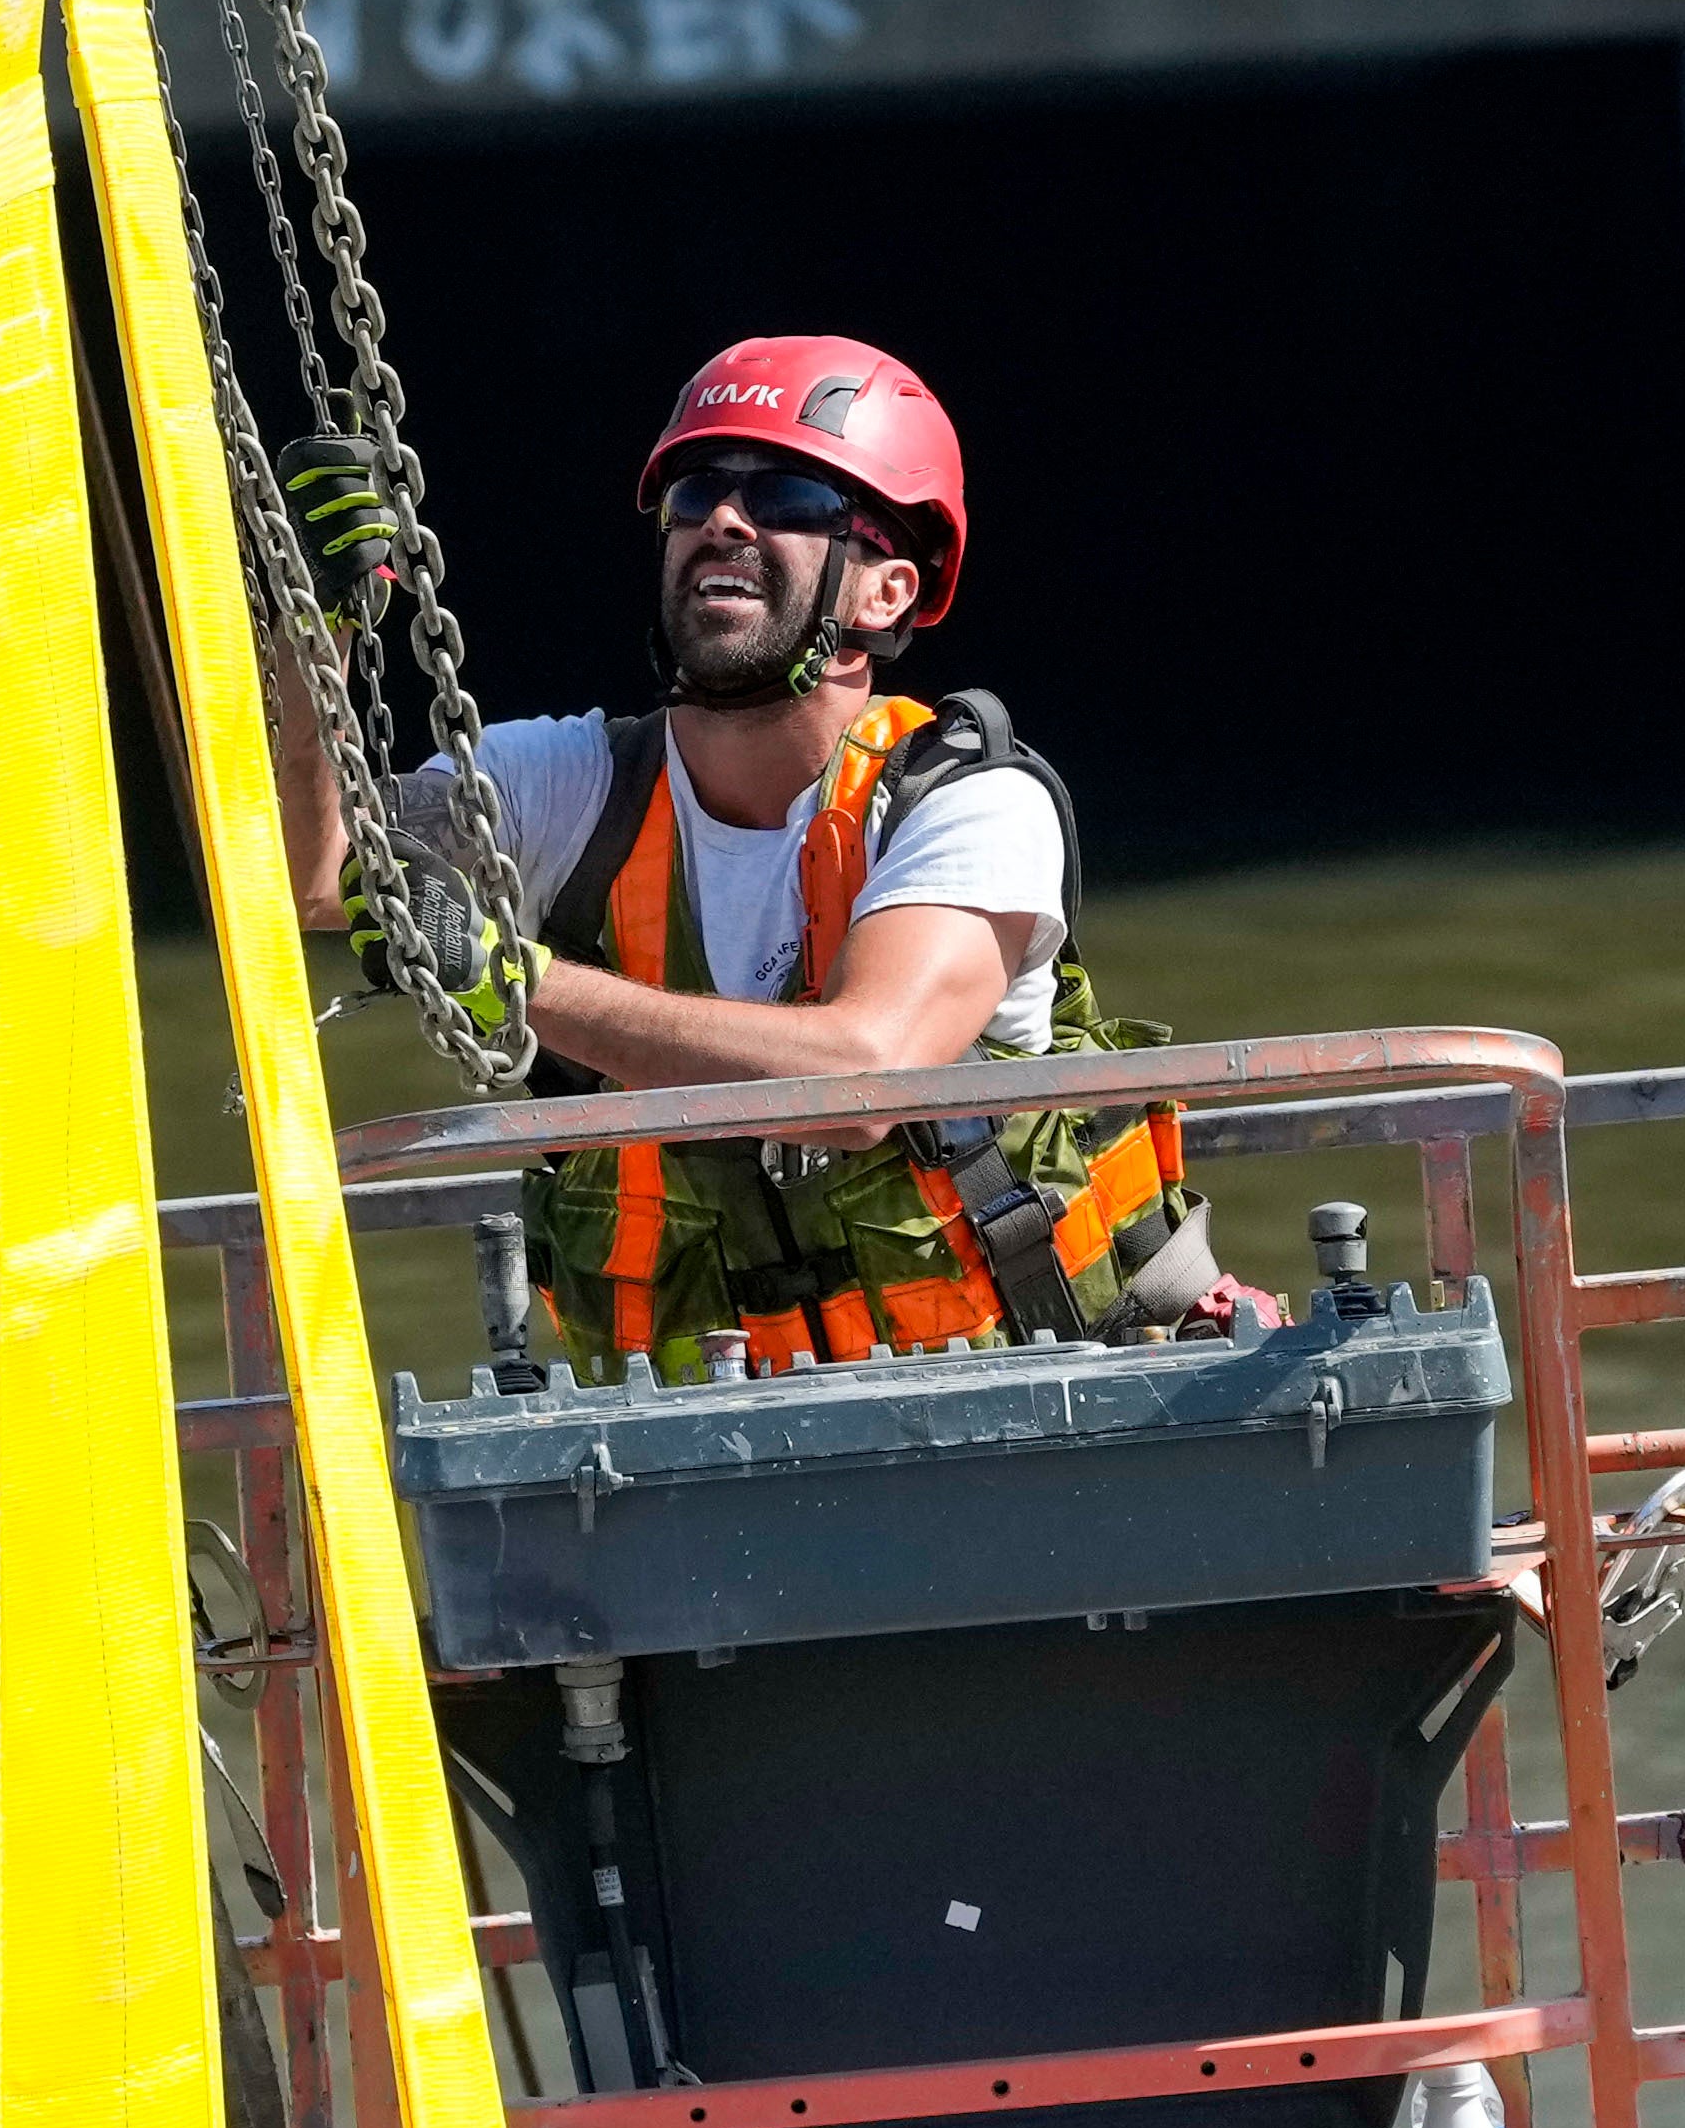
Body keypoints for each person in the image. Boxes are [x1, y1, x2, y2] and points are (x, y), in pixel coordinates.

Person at [277, 334, 1235, 1370]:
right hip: (691, 1459)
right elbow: (315, 878)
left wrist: (512, 981)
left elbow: (871, 1075)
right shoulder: (570, 786)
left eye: (790, 497)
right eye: (695, 496)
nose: (725, 520)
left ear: (887, 594)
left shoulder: (966, 802)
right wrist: (312, 625)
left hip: (1020, 1416)